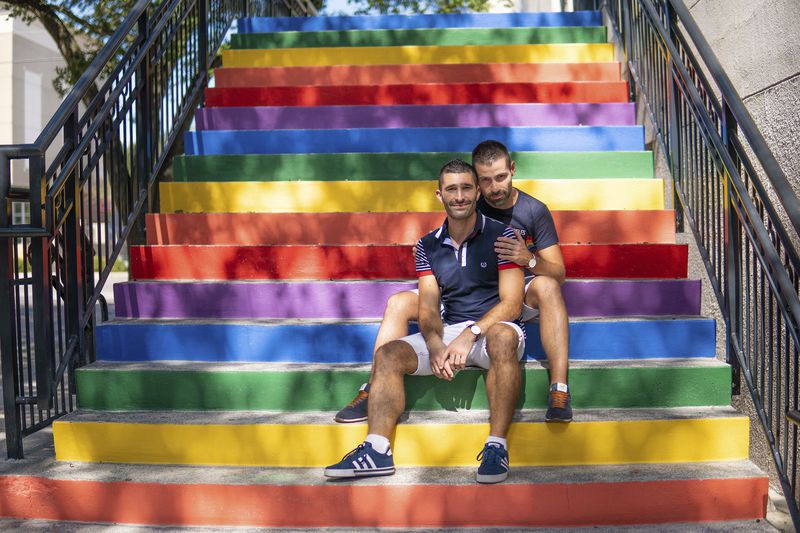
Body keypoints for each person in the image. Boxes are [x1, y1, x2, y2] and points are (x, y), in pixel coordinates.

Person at [334, 140, 571, 423]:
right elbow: (447, 241)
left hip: (516, 288)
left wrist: (527, 258)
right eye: (485, 180)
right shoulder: (467, 199)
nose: (494, 188)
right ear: (477, 183)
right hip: (467, 290)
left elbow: (559, 272)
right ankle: (372, 388)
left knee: (547, 285)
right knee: (398, 302)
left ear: (512, 170)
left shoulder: (534, 210)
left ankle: (559, 388)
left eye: (500, 178)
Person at [324, 159, 525, 483]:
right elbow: (429, 307)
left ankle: (496, 446)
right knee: (388, 354)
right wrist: (434, 343)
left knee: (502, 336)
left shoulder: (502, 234)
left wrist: (471, 333)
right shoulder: (427, 245)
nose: (459, 196)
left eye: (465, 188)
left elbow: (513, 304)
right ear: (439, 194)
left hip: (492, 329)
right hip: (450, 328)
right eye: (451, 189)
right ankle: (377, 450)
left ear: (476, 192)